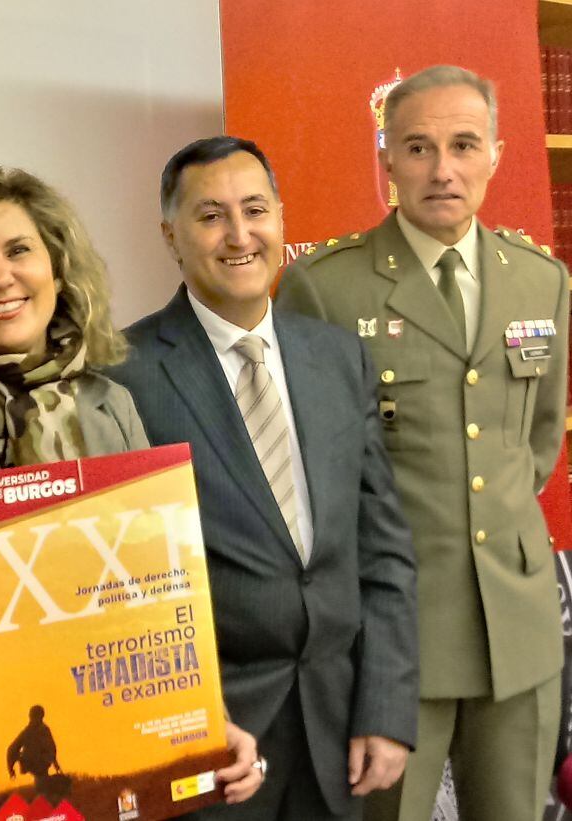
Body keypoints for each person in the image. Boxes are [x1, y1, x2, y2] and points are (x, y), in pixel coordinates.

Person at [0, 166, 264, 819]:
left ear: (57, 269)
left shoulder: (111, 406)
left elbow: (155, 601)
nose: (1, 278)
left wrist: (207, 722)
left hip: (114, 759)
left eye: (19, 251)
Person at [276, 65, 569, 821]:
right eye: (418, 148)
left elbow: (537, 441)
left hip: (517, 625)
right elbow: (309, 470)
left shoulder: (542, 281)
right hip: (394, 638)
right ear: (386, 162)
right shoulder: (326, 287)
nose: (443, 169)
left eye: (464, 144)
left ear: (497, 154)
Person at [109, 136, 418, 820]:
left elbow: (385, 549)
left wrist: (388, 706)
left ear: (281, 217)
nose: (239, 234)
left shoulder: (339, 358)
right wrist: (186, 719)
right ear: (172, 235)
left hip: (343, 732)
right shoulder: (122, 376)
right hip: (212, 745)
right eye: (211, 215)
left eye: (255, 209)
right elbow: (119, 593)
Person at [6, 705, 63, 796]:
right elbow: (12, 750)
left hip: (40, 765)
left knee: (43, 789)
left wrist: (55, 763)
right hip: (36, 765)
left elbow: (50, 748)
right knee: (42, 790)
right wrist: (11, 768)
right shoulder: (30, 731)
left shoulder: (41, 730)